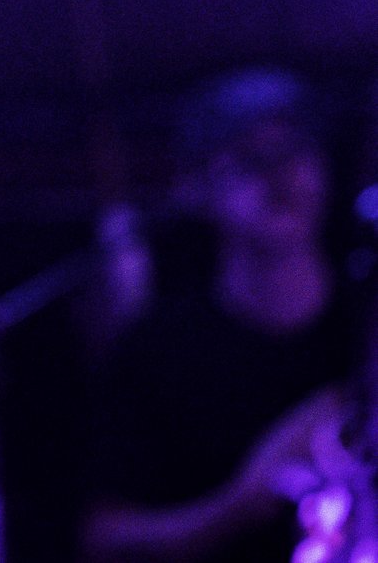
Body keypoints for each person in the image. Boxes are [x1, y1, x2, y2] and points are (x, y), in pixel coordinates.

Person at [85, 68, 361, 563]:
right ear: (197, 186)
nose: (279, 178)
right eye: (250, 159)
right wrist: (238, 503)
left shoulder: (365, 323)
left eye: (294, 152)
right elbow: (104, 537)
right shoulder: (158, 351)